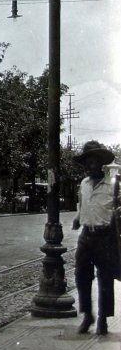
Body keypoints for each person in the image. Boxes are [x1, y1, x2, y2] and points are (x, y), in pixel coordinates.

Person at [72, 140, 120, 336]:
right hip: (86, 236)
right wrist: (77, 218)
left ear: (100, 163)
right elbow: (82, 205)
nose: (89, 166)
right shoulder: (83, 184)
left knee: (105, 279)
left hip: (105, 237)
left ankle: (103, 320)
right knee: (81, 276)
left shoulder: (114, 185)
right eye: (86, 163)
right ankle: (87, 315)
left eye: (92, 162)